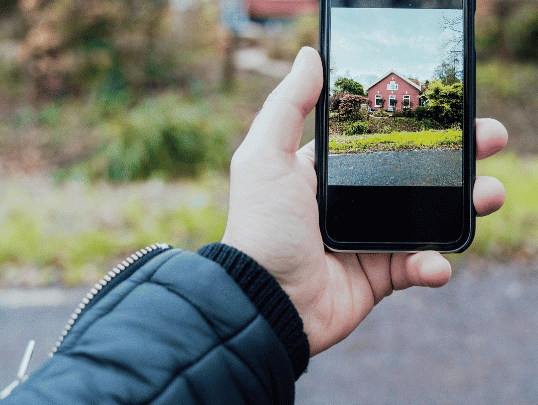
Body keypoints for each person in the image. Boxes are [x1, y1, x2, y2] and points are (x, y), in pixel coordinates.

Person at [2, 47, 508, 405]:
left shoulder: (405, 99)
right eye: (386, 100)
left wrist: (256, 291)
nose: (391, 101)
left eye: (395, 100)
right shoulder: (375, 103)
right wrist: (262, 291)